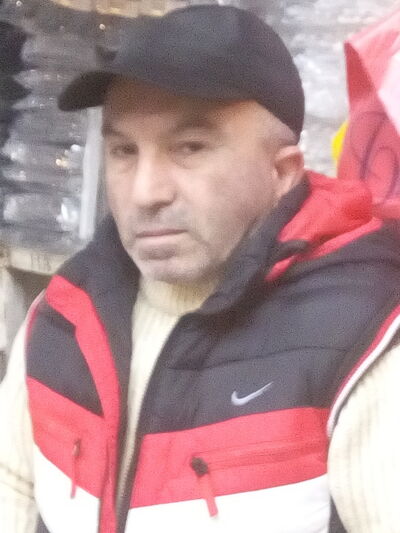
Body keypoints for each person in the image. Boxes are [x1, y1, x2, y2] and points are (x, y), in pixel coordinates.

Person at [1, 5, 400, 533]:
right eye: (124, 151)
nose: (145, 192)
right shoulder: (63, 317)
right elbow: (13, 486)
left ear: (282, 173)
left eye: (189, 148)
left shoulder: (361, 343)